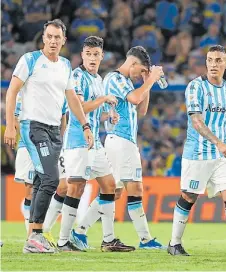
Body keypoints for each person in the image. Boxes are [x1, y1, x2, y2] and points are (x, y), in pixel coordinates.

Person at [4, 19, 93, 254]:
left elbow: (72, 98)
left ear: (64, 41)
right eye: (49, 36)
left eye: (58, 37)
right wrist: (10, 125)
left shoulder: (64, 65)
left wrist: (85, 124)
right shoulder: (30, 60)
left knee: (42, 182)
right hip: (34, 127)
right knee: (51, 180)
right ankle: (35, 235)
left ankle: (33, 237)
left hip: (54, 130)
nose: (53, 41)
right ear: (44, 38)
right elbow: (12, 90)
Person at [167, 45, 226, 257]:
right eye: (210, 60)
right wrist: (218, 142)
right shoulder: (195, 87)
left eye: (219, 60)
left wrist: (222, 144)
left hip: (221, 154)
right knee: (189, 196)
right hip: (198, 153)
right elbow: (196, 121)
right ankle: (174, 243)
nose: (213, 64)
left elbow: (221, 122)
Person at [74, 46, 166, 250]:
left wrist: (146, 83)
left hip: (127, 141)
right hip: (118, 140)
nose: (141, 74)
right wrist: (150, 80)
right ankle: (81, 231)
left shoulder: (128, 83)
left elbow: (141, 109)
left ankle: (143, 239)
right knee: (116, 190)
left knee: (127, 190)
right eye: (141, 71)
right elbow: (134, 98)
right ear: (133, 63)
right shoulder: (114, 78)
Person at [53, 36, 135, 252]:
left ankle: (108, 240)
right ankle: (63, 241)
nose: (92, 58)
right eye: (88, 54)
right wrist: (104, 100)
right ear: (82, 55)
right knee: (76, 187)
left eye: (96, 54)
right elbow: (79, 108)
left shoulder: (97, 79)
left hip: (94, 144)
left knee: (109, 186)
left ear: (102, 56)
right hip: (78, 141)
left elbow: (93, 112)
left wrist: (107, 116)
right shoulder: (77, 77)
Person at [14, 93, 68, 237]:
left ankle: (44, 230)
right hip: (29, 145)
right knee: (31, 189)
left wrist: (58, 144)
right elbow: (16, 119)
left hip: (52, 145)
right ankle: (32, 234)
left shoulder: (59, 92)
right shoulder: (27, 92)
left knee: (63, 186)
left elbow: (63, 120)